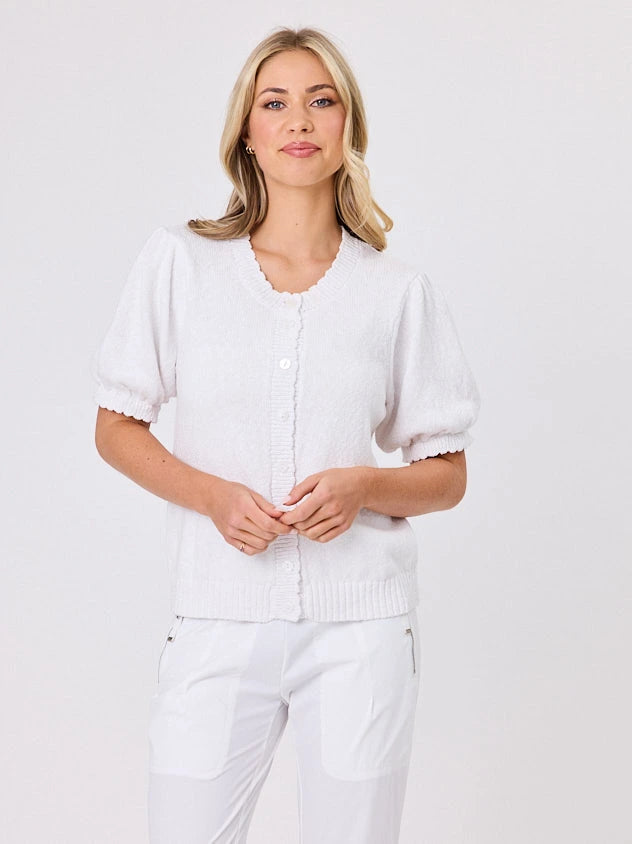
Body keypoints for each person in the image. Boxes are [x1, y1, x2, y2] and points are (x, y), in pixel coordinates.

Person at [91, 26, 481, 844]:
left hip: (362, 629)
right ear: (247, 132)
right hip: (215, 620)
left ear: (347, 129)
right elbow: (116, 425)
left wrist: (364, 486)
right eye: (275, 103)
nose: (298, 119)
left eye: (321, 100)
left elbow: (446, 471)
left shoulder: (397, 291)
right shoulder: (181, 263)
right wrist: (210, 496)